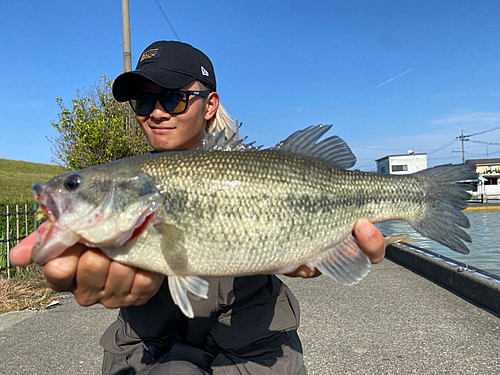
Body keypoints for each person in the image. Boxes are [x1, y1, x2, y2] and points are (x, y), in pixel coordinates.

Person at [10, 41, 386, 374]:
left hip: (254, 354)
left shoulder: (149, 176)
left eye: (172, 97)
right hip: (149, 354)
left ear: (210, 105)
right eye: (143, 100)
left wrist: (325, 251)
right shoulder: (128, 179)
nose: (156, 112)